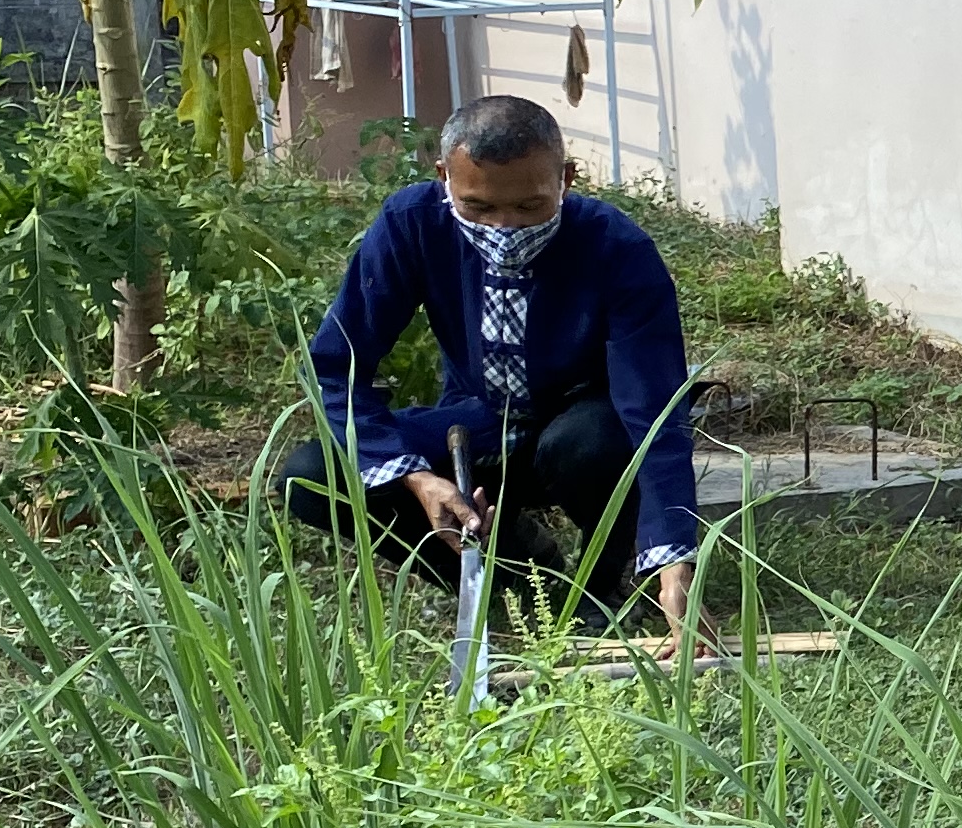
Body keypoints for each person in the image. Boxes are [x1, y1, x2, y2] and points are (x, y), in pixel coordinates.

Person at [287, 94, 702, 634]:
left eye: (529, 207)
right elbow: (334, 365)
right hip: (475, 426)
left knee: (593, 442)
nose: (504, 228)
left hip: (580, 430)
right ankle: (511, 574)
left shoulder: (616, 247)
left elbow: (655, 411)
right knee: (311, 476)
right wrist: (416, 479)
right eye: (479, 208)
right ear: (443, 178)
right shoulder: (412, 224)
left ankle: (600, 587)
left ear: (566, 179)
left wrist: (675, 562)